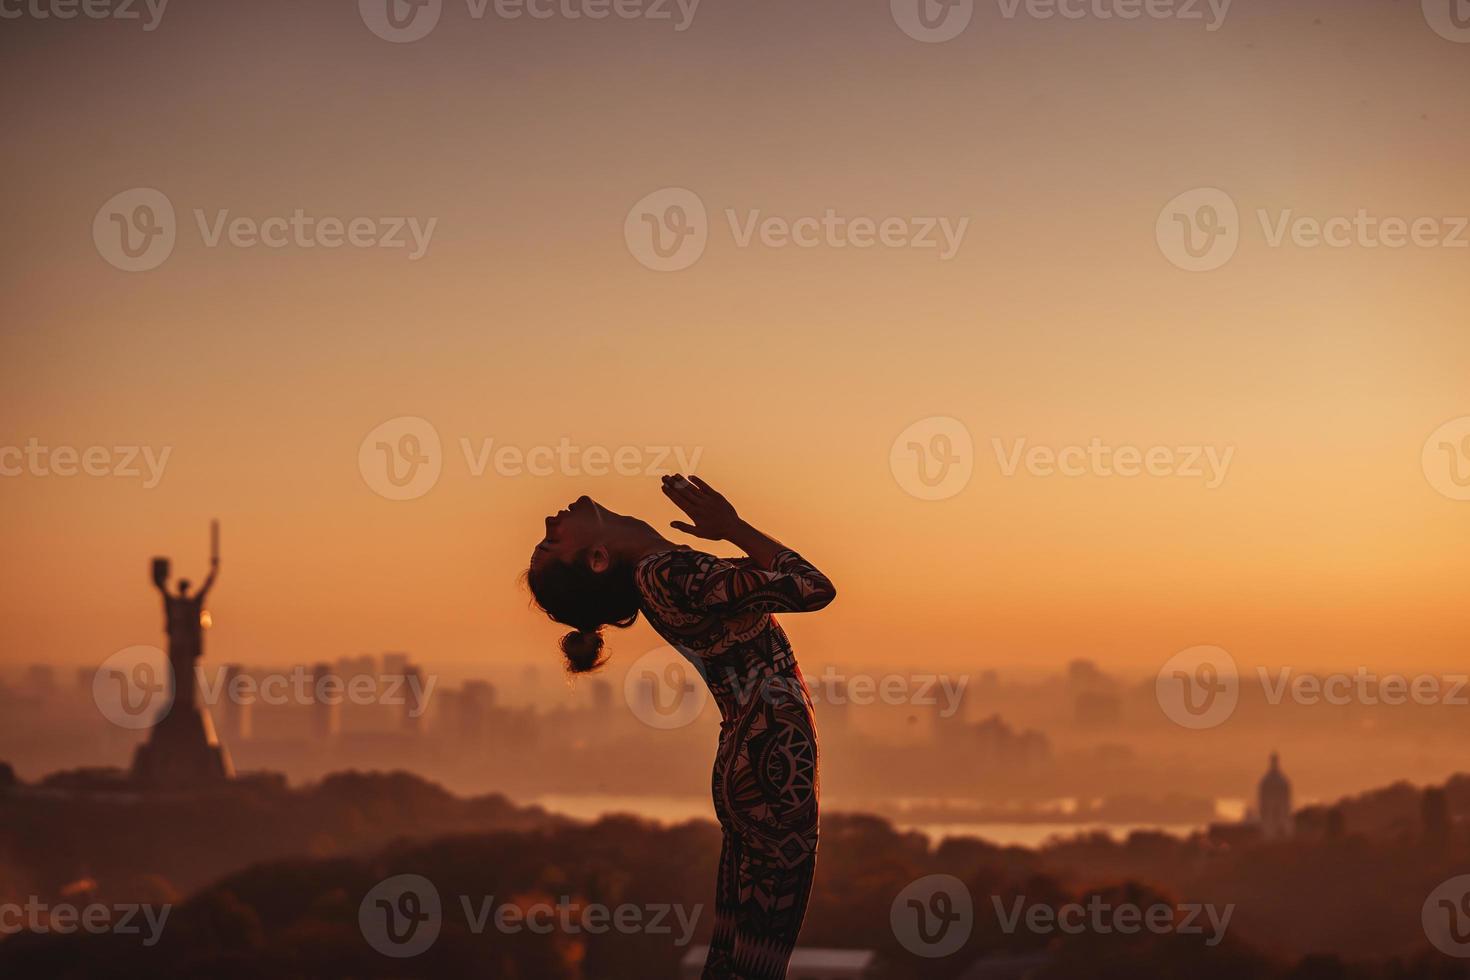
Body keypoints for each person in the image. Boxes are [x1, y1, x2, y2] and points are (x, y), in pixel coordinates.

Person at [527, 475, 836, 979]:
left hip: (754, 763)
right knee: (757, 960)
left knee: (738, 957)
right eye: (552, 540)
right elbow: (814, 588)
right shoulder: (667, 573)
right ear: (597, 558)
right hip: (770, 766)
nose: (549, 520)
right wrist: (732, 527)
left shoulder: (659, 578)